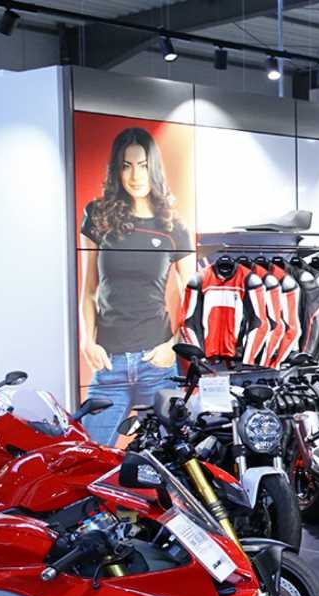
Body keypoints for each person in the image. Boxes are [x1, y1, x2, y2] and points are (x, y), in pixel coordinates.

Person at [78, 126, 193, 444]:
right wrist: (87, 342)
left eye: (142, 165)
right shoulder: (97, 215)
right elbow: (89, 290)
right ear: (117, 170)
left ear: (153, 167)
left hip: (156, 363)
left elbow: (193, 296)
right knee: (90, 454)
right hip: (109, 363)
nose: (135, 175)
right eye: (126, 165)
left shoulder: (173, 225)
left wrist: (172, 346)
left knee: (170, 456)